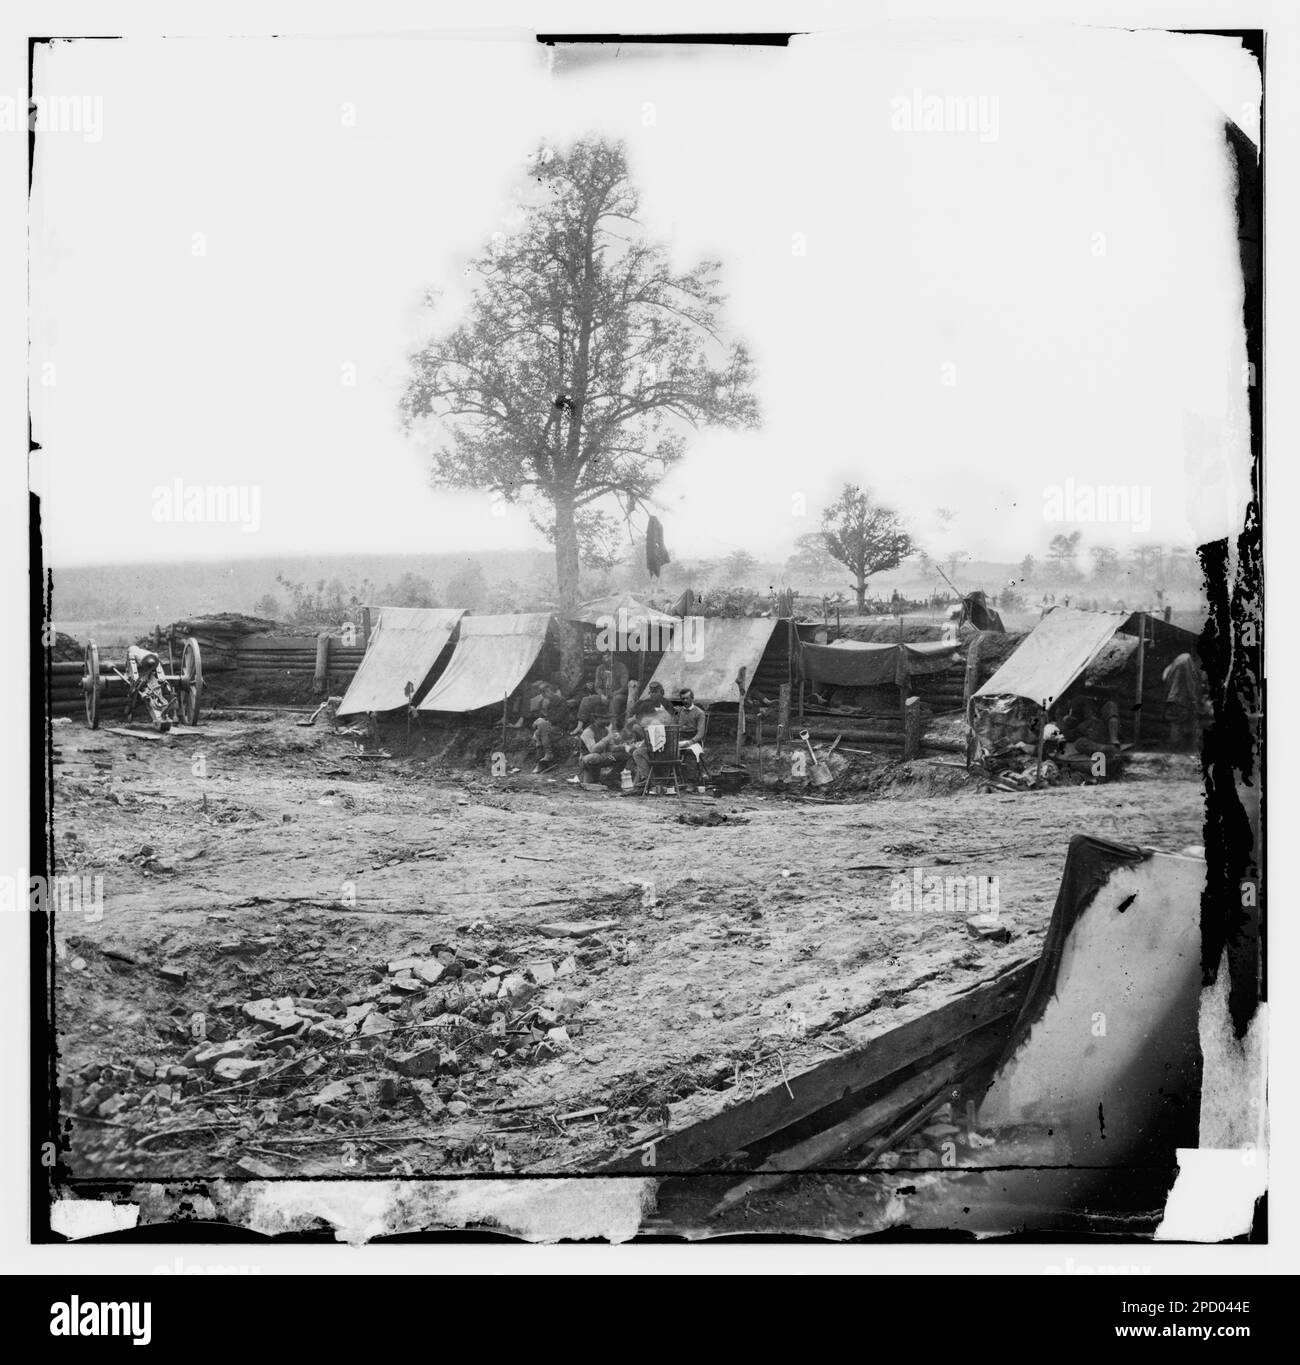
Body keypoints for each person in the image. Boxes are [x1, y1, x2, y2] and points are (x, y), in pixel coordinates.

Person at [1162, 653, 1206, 750]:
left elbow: (1165, 678)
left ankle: (1178, 750)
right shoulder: (1186, 662)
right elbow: (1191, 687)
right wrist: (1195, 700)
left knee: (1178, 725)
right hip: (1180, 700)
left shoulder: (1181, 661)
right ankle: (1178, 751)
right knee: (1179, 726)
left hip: (1175, 698)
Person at [578, 721, 635, 787]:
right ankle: (595, 780)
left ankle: (610, 778)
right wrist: (607, 738)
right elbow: (593, 750)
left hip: (604, 757)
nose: (606, 721)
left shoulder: (606, 730)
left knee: (622, 756)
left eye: (607, 718)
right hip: (587, 758)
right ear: (596, 719)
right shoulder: (589, 731)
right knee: (595, 757)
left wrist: (623, 746)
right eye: (603, 719)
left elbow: (612, 748)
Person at [674, 687, 708, 782]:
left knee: (690, 753)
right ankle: (674, 780)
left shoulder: (699, 713)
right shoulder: (679, 711)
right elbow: (674, 727)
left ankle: (691, 781)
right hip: (680, 739)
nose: (685, 701)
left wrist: (690, 742)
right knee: (668, 752)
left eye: (687, 698)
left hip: (693, 740)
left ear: (692, 698)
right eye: (682, 699)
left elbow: (700, 733)